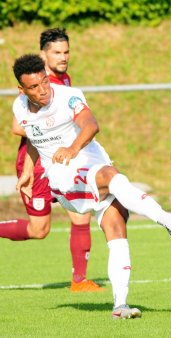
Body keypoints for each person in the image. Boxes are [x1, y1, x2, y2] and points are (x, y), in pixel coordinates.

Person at [11, 54, 171, 319]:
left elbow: (91, 125)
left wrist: (72, 148)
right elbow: (35, 139)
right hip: (63, 178)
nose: (42, 89)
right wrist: (28, 171)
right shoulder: (19, 107)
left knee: (116, 224)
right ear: (21, 90)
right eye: (34, 87)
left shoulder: (68, 96)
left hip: (90, 162)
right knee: (111, 176)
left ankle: (120, 305)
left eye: (44, 82)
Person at [0, 28, 100, 292]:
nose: (63, 57)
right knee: (39, 229)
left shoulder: (63, 80)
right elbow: (18, 127)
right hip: (38, 161)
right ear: (44, 54)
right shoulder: (35, 85)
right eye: (57, 52)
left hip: (64, 159)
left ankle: (79, 281)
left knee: (81, 214)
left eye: (66, 51)